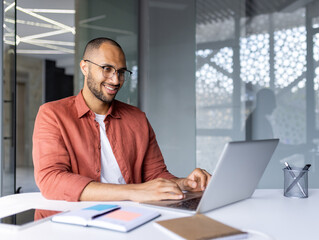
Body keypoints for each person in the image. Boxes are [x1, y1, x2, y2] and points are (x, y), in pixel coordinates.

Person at [33, 37, 211, 202]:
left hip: (129, 217)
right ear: (85, 67)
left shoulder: (137, 119)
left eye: (121, 72)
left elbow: (155, 175)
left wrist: (185, 184)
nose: (116, 80)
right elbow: (51, 179)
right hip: (72, 222)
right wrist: (134, 191)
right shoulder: (52, 114)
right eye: (107, 69)